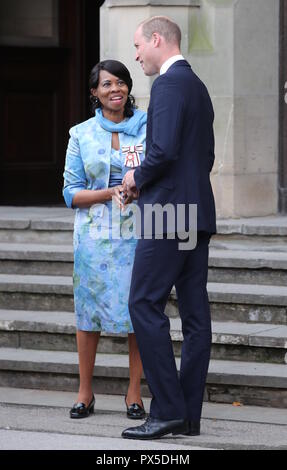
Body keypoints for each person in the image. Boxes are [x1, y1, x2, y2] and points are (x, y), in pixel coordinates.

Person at [121, 16, 216, 440]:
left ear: (157, 40)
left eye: (138, 45)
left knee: (143, 303)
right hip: (195, 213)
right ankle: (187, 415)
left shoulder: (168, 84)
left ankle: (169, 411)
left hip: (168, 215)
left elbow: (161, 151)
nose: (136, 54)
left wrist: (134, 180)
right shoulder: (197, 86)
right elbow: (203, 157)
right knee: (195, 317)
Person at [63, 60, 147, 420]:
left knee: (139, 311)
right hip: (93, 238)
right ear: (95, 93)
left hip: (138, 233)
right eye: (107, 84)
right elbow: (70, 193)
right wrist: (110, 191)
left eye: (122, 82)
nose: (116, 89)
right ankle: (85, 392)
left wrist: (139, 189)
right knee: (88, 313)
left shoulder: (148, 129)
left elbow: (160, 171)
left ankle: (134, 394)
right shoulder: (80, 134)